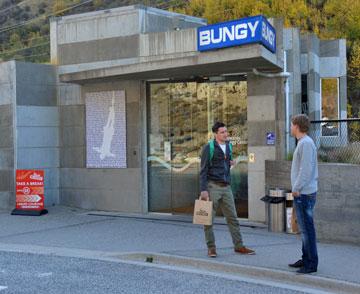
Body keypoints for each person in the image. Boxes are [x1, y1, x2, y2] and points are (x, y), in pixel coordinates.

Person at [200, 122, 255, 258]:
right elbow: (203, 170)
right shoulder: (209, 147)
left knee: (233, 218)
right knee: (208, 220)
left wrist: (231, 162)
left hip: (226, 187)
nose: (226, 134)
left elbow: (226, 161)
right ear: (216, 134)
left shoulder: (229, 146)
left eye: (226, 131)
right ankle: (211, 248)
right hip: (213, 187)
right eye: (222, 132)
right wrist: (203, 189)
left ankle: (239, 246)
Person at [288, 114, 319, 274]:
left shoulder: (306, 143)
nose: (290, 127)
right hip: (304, 192)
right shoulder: (303, 143)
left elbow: (305, 170)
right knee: (305, 229)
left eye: (292, 124)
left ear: (297, 126)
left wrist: (296, 187)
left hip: (304, 193)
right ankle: (305, 258)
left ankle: (311, 264)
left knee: (307, 230)